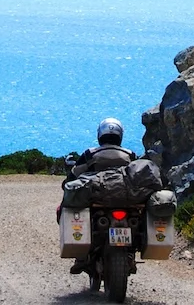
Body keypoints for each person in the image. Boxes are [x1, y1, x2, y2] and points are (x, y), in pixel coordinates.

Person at [63, 117, 137, 277]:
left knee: (68, 211)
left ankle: (80, 257)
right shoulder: (130, 155)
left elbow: (75, 174)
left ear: (100, 135)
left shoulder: (90, 154)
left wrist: (68, 181)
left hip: (97, 200)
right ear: (120, 135)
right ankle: (132, 253)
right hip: (126, 200)